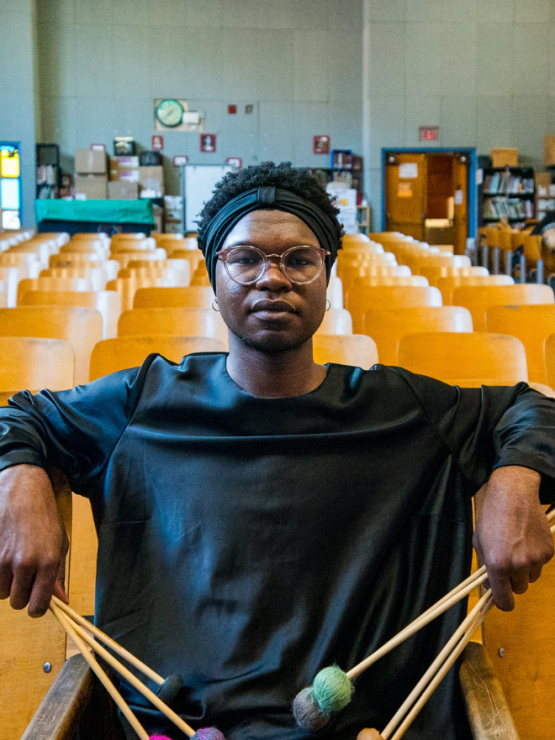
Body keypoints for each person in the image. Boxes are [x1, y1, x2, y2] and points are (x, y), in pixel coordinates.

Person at [0, 162, 554, 740]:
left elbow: (532, 406)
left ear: (326, 276)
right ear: (214, 280)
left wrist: (516, 479)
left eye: (298, 259)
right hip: (176, 729)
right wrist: (18, 479)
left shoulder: (401, 409)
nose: (272, 278)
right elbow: (17, 415)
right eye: (244, 259)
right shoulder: (144, 402)